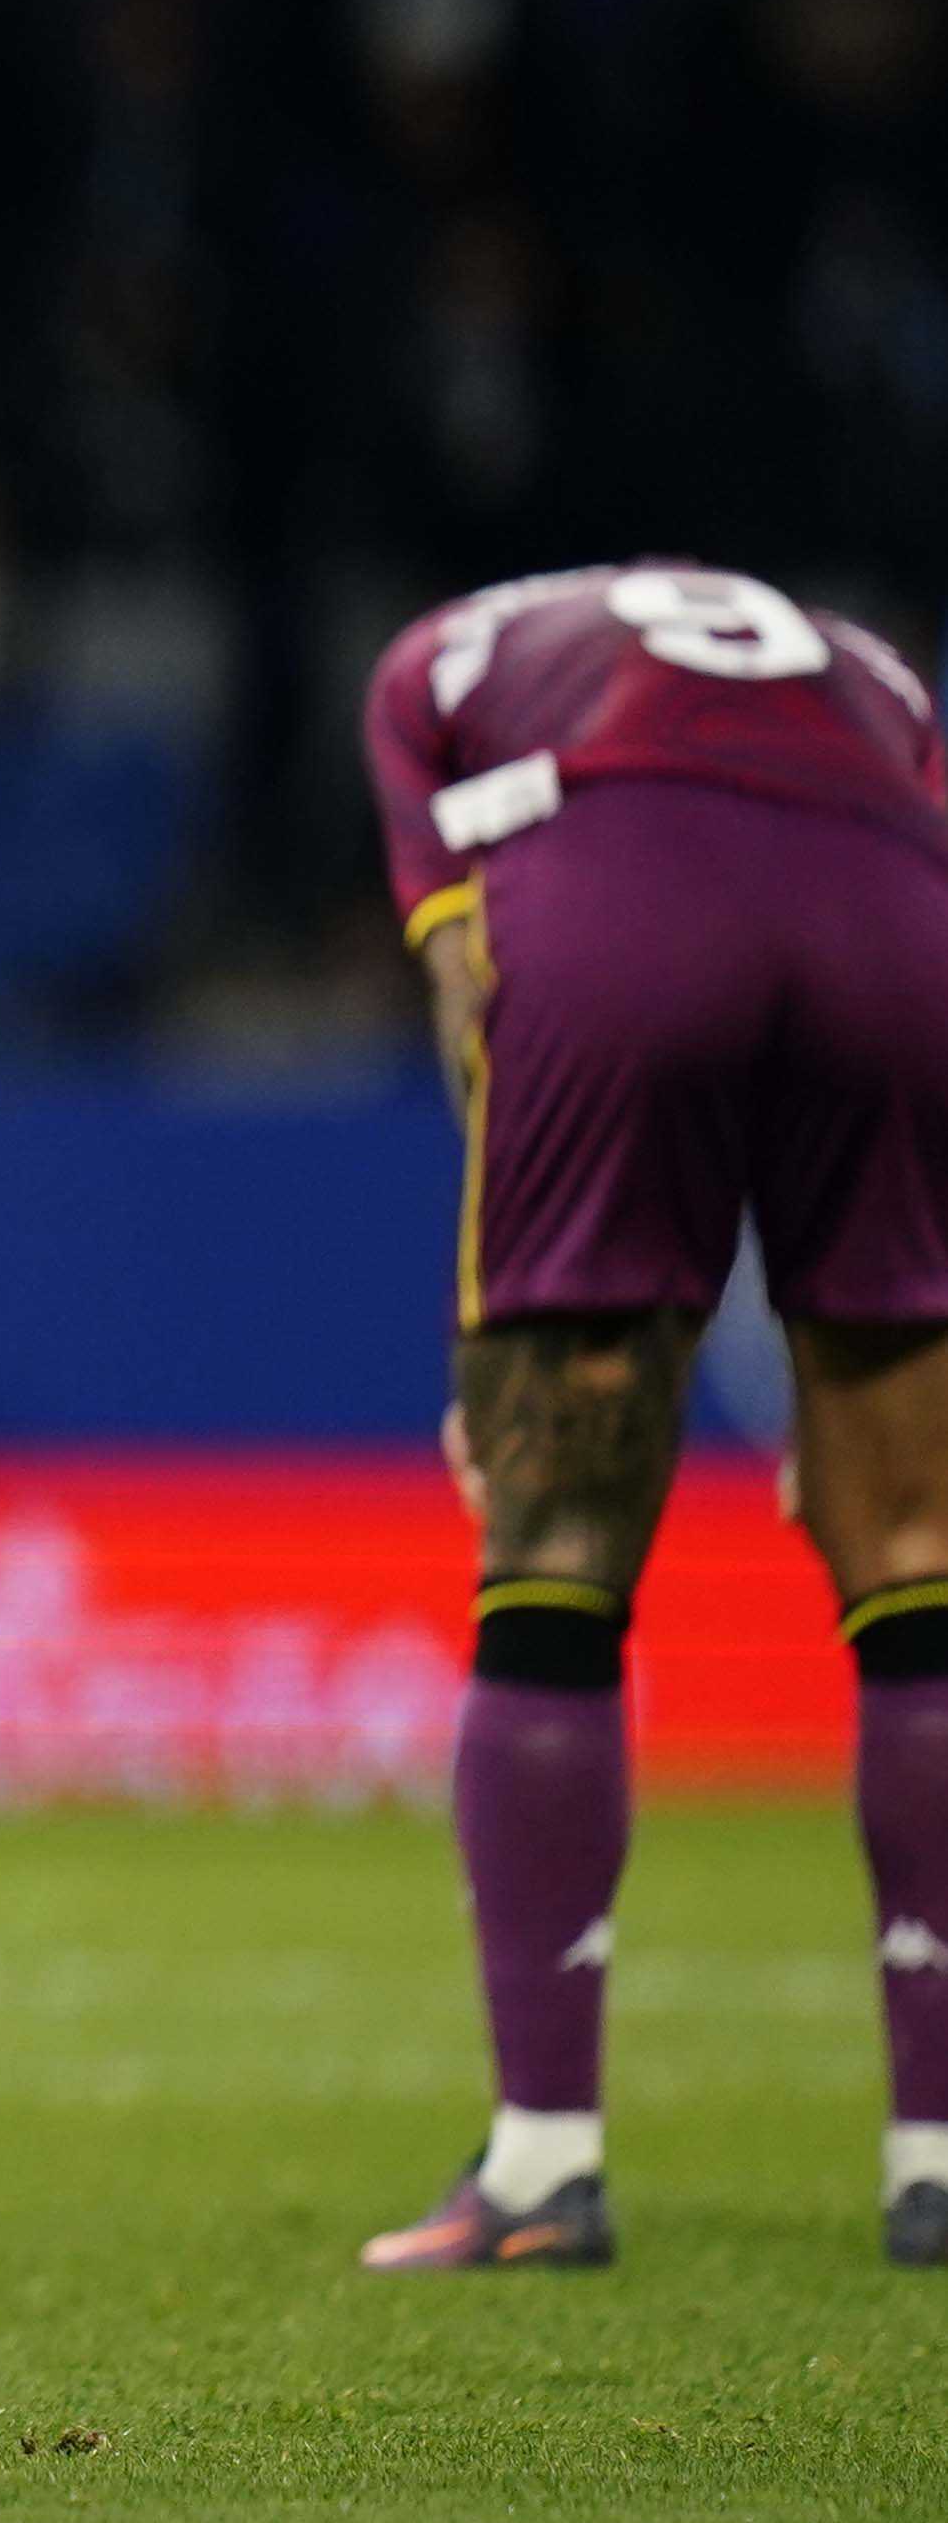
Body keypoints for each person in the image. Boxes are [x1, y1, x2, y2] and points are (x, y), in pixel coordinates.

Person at [350, 559, 948, 2275]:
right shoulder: (874, 670)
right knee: (916, 1550)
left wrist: (508, 1357)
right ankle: (934, 2157)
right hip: (890, 906)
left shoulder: (428, 666)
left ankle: (541, 2166)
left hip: (617, 888)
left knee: (552, 1531)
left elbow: (475, 992)